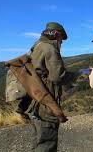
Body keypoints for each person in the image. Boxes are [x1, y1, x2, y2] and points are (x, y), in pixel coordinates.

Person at [27, 22, 73, 152]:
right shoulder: (50, 49)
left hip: (35, 100)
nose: (61, 43)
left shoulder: (36, 46)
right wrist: (79, 74)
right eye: (61, 40)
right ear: (56, 35)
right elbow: (58, 77)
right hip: (46, 104)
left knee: (38, 141)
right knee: (47, 143)